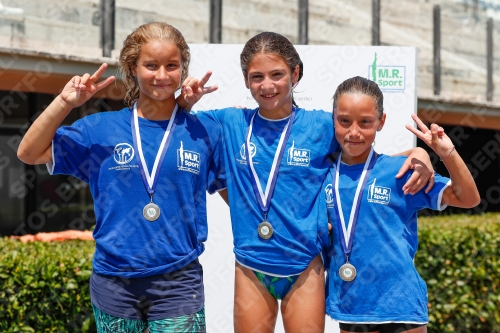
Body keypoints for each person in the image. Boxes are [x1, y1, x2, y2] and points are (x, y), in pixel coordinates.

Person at [178, 32, 436, 333]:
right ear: (246, 81)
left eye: (277, 74)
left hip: (305, 267)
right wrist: (183, 105)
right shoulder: (229, 122)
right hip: (251, 265)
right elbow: (176, 134)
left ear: (295, 74)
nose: (267, 85)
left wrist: (419, 152)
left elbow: (370, 161)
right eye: (257, 76)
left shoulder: (323, 126)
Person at [17, 22, 224, 333]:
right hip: (114, 284)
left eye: (172, 66)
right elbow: (28, 153)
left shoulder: (204, 131)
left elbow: (237, 197)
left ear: (183, 70)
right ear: (132, 67)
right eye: (151, 65)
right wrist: (64, 103)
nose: (162, 75)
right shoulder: (99, 129)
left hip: (178, 282)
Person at [322, 76, 480, 333]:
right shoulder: (323, 175)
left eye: (365, 122)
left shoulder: (402, 172)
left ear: (381, 122)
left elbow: (468, 198)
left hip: (401, 305)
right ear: (333, 119)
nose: (354, 131)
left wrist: (445, 153)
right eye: (344, 121)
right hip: (350, 305)